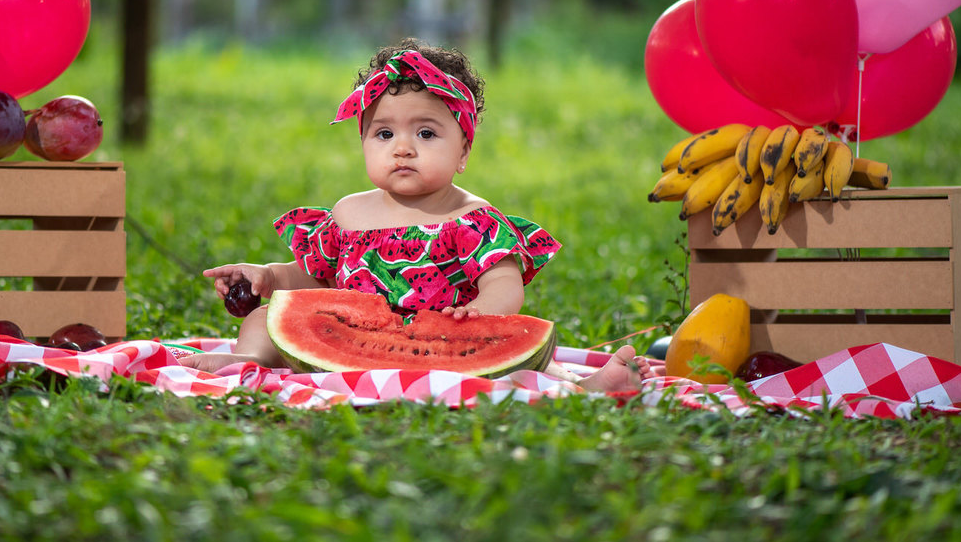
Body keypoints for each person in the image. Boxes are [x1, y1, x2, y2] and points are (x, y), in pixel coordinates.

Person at [180, 39, 656, 392]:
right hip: (349, 337)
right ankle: (247, 360)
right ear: (363, 143)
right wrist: (268, 275)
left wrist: (480, 313)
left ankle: (586, 387)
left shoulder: (473, 219)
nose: (403, 148)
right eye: (384, 134)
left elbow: (504, 282)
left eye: (426, 134)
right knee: (266, 319)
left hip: (447, 342)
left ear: (463, 151)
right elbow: (312, 276)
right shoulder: (347, 213)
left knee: (519, 364)